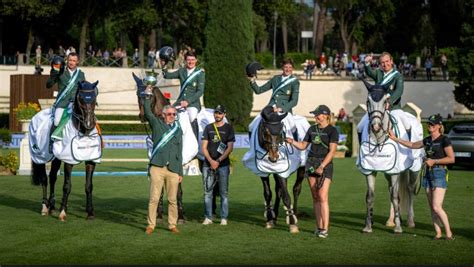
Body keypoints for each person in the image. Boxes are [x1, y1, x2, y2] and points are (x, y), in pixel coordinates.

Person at [388, 114, 455, 240]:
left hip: (439, 173)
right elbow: (413, 145)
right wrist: (395, 139)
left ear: (439, 126)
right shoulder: (428, 139)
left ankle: (449, 233)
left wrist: (434, 162)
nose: (429, 126)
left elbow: (451, 159)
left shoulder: (444, 140)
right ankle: (438, 233)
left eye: (432, 124)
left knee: (436, 206)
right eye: (428, 123)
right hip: (427, 174)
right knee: (431, 207)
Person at [285, 105, 338, 238]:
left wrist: (322, 166)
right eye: (315, 114)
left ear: (325, 115)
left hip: (325, 164)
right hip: (311, 163)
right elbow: (303, 146)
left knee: (322, 196)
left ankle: (325, 229)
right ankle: (319, 226)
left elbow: (332, 151)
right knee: (315, 196)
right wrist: (291, 141)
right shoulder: (312, 128)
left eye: (318, 114)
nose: (316, 117)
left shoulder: (332, 130)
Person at [143, 92, 183, 235]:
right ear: (164, 115)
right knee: (154, 198)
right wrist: (147, 95)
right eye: (169, 114)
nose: (172, 116)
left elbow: (180, 151)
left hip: (173, 169)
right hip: (157, 167)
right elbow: (147, 112)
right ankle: (151, 225)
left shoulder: (178, 130)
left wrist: (180, 172)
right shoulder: (156, 124)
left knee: (172, 200)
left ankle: (172, 224)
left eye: (174, 114)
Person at [358, 52, 410, 139]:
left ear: (391, 61)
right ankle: (361, 150)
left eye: (387, 61)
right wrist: (367, 63)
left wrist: (389, 101)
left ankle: (409, 149)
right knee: (359, 127)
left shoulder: (398, 76)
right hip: (377, 109)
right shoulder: (378, 73)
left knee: (407, 124)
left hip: (393, 108)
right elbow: (370, 72)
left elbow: (399, 91)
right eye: (382, 62)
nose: (385, 64)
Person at [201, 104, 235, 226]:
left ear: (224, 115)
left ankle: (224, 218)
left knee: (223, 193)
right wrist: (211, 161)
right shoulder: (208, 128)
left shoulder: (229, 128)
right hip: (208, 164)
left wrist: (218, 161)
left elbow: (230, 148)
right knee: (207, 192)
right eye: (216, 113)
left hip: (223, 165)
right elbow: (204, 147)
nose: (218, 115)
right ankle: (208, 217)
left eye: (220, 113)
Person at [248, 58, 299, 136]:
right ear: (282, 67)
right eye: (286, 67)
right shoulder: (275, 79)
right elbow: (259, 90)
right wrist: (252, 81)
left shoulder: (294, 82)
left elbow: (294, 101)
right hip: (270, 109)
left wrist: (281, 108)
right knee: (251, 127)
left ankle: (296, 147)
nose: (288, 69)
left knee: (293, 127)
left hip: (284, 110)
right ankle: (253, 147)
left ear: (292, 69)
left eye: (290, 67)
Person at [160, 50, 205, 139]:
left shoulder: (200, 73)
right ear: (185, 60)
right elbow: (167, 76)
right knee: (168, 114)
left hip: (193, 103)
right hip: (180, 102)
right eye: (188, 60)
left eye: (192, 59)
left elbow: (200, 91)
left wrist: (188, 102)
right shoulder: (181, 71)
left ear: (196, 60)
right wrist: (164, 65)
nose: (190, 62)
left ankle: (195, 142)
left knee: (192, 117)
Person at [46, 53, 85, 128]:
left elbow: (83, 89)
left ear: (77, 62)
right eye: (70, 60)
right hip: (62, 103)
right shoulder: (60, 71)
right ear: (67, 60)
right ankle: (52, 139)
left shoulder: (81, 74)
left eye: (74, 60)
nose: (71, 62)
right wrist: (54, 74)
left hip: (76, 104)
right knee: (56, 121)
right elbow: (48, 85)